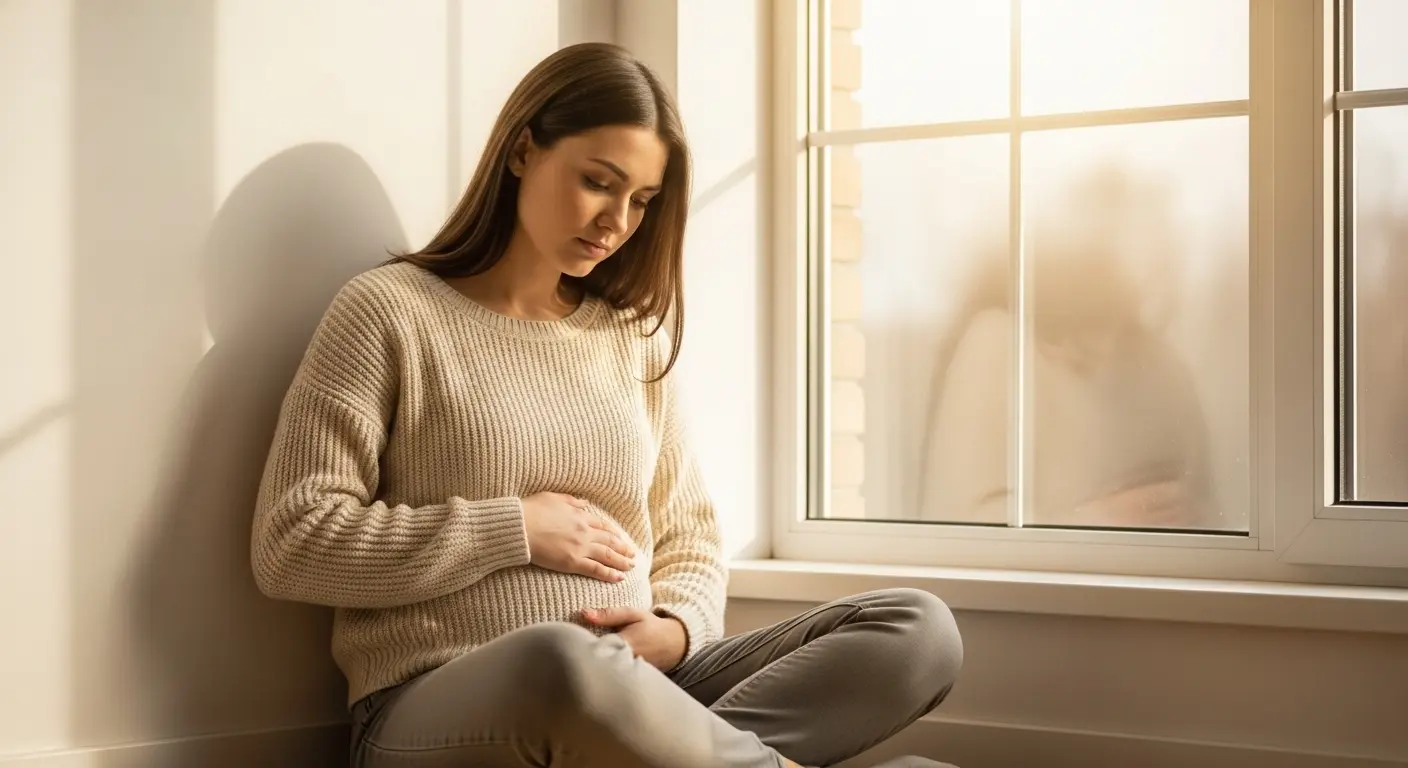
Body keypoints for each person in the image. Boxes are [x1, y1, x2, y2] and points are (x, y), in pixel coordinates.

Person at [250, 43, 963, 768]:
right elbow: (292, 542)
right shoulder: (388, 312)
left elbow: (689, 534)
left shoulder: (629, 339)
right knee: (561, 659)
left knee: (916, 629)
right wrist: (513, 528)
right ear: (523, 150)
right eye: (598, 182)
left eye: (642, 202)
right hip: (437, 701)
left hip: (646, 688)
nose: (617, 221)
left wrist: (677, 627)